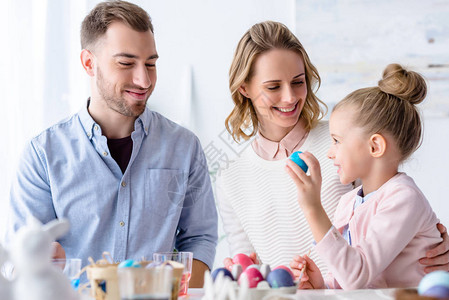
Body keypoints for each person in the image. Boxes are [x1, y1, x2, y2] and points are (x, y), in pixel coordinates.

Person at [3, 0, 217, 287]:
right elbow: (18, 263)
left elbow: (199, 239)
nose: (143, 80)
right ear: (89, 63)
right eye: (126, 63)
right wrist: (33, 266)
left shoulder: (184, 147)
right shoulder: (43, 154)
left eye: (151, 64)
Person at [217, 21, 449, 274]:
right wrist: (240, 270)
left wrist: (437, 244)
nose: (290, 97)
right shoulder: (230, 177)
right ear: (244, 88)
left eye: (298, 81)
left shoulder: (348, 142)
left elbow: (399, 212)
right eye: (273, 87)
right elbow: (248, 266)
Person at [287, 63, 443, 289]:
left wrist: (313, 207)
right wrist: (323, 284)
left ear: (375, 146)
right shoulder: (348, 202)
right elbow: (349, 278)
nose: (330, 152)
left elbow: (357, 274)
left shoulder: (404, 199)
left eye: (337, 140)